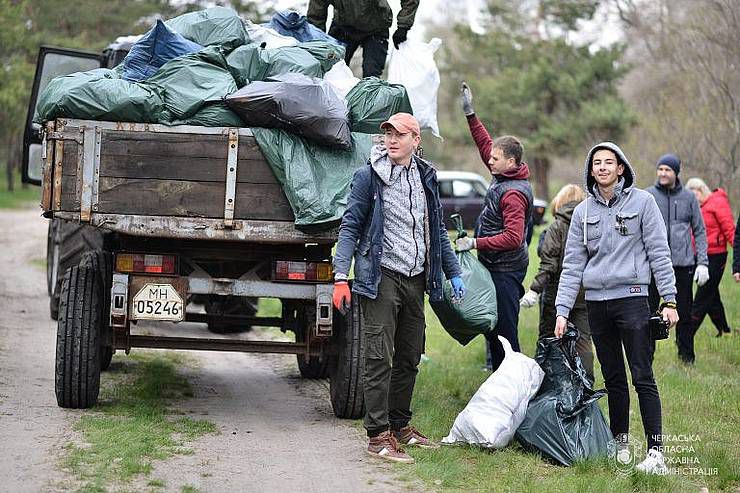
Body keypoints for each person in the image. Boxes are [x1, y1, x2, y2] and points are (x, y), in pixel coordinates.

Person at [332, 113, 465, 463]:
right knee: (378, 356)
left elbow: (436, 230)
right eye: (387, 134)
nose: (391, 140)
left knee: (409, 355)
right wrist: (340, 276)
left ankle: (400, 425)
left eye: (399, 135)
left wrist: (452, 272)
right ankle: (377, 436)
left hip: (416, 277)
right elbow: (349, 227)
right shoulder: (368, 177)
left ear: (415, 140)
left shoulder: (426, 177)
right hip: (381, 276)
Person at [554, 142, 678, 475]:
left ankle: (655, 454)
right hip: (597, 304)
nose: (604, 167)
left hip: (634, 300)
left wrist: (669, 299)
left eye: (610, 162)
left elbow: (659, 252)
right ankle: (619, 443)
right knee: (613, 378)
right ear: (591, 170)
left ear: (621, 168)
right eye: (598, 163)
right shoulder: (583, 212)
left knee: (642, 375)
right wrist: (562, 310)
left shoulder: (643, 203)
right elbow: (572, 265)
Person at [455, 82, 533, 372]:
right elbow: (485, 144)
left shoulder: (513, 193)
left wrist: (475, 244)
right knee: (492, 325)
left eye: (495, 159)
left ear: (510, 162)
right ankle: (496, 376)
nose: (489, 160)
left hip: (506, 269)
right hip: (494, 265)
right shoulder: (503, 173)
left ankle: (513, 383)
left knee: (505, 332)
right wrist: (470, 114)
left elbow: (513, 238)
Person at [520, 184, 594, 382]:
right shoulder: (592, 223)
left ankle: (543, 383)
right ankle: (585, 384)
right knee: (583, 341)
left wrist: (534, 290)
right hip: (586, 292)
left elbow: (549, 265)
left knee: (549, 338)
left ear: (559, 203)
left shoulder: (557, 226)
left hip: (558, 293)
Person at [646, 154, 709, 363]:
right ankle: (647, 356)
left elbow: (699, 231)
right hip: (653, 266)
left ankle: (686, 357)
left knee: (684, 312)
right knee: (649, 312)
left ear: (676, 173)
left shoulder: (689, 198)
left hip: (683, 266)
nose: (663, 173)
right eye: (660, 169)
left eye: (668, 170)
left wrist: (702, 263)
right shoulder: (648, 196)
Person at [307, 0, 419, 78]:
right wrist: (317, 43)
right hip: (343, 27)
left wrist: (403, 26)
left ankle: (371, 107)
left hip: (376, 27)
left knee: (371, 76)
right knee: (330, 70)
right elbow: (316, 14)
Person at [685, 178, 736, 337]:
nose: (694, 198)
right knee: (712, 296)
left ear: (702, 190)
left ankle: (686, 336)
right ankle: (725, 331)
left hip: (716, 256)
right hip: (699, 255)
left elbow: (730, 229)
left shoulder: (717, 203)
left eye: (695, 194)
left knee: (702, 298)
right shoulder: (697, 207)